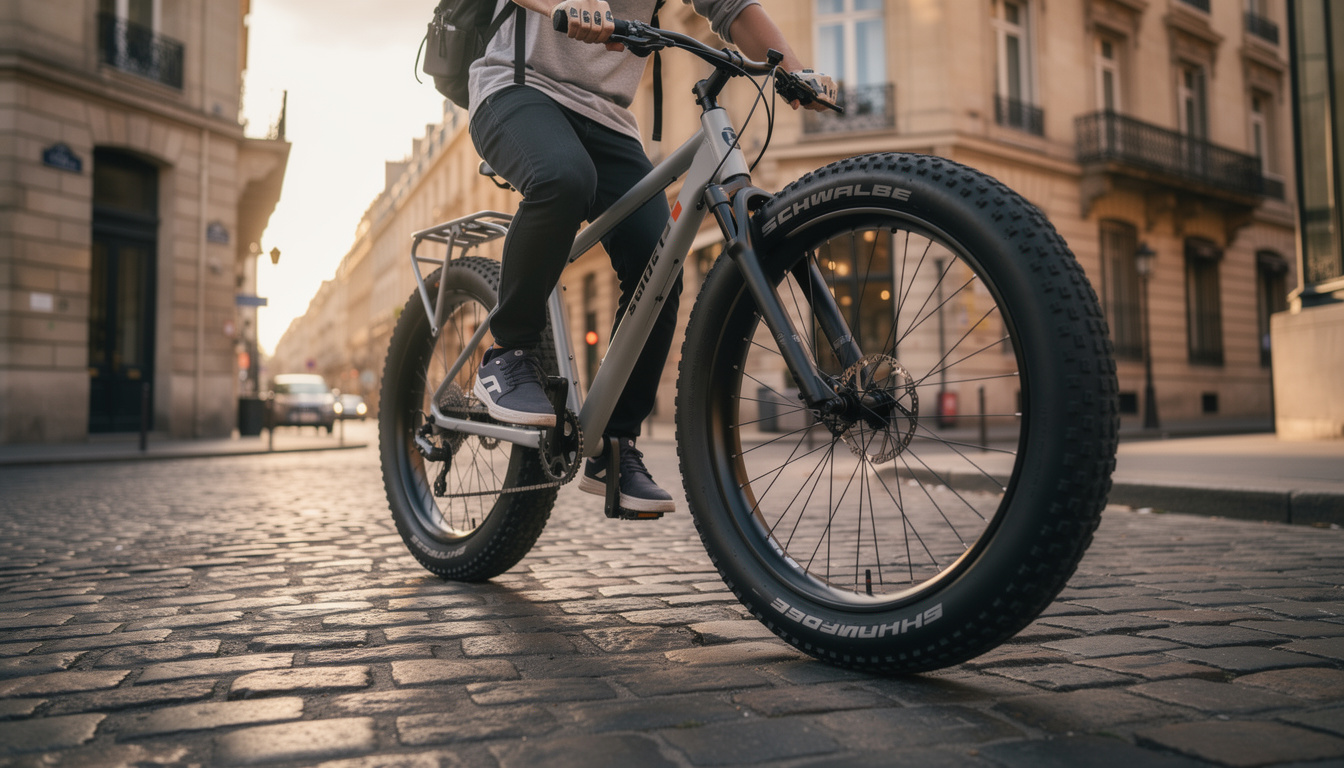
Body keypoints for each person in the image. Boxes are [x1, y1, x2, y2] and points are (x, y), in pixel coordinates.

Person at [470, 0, 832, 514]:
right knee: (564, 178)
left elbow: (732, 8)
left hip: (609, 118)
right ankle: (507, 353)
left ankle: (615, 445)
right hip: (516, 90)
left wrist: (795, 72)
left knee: (659, 257)